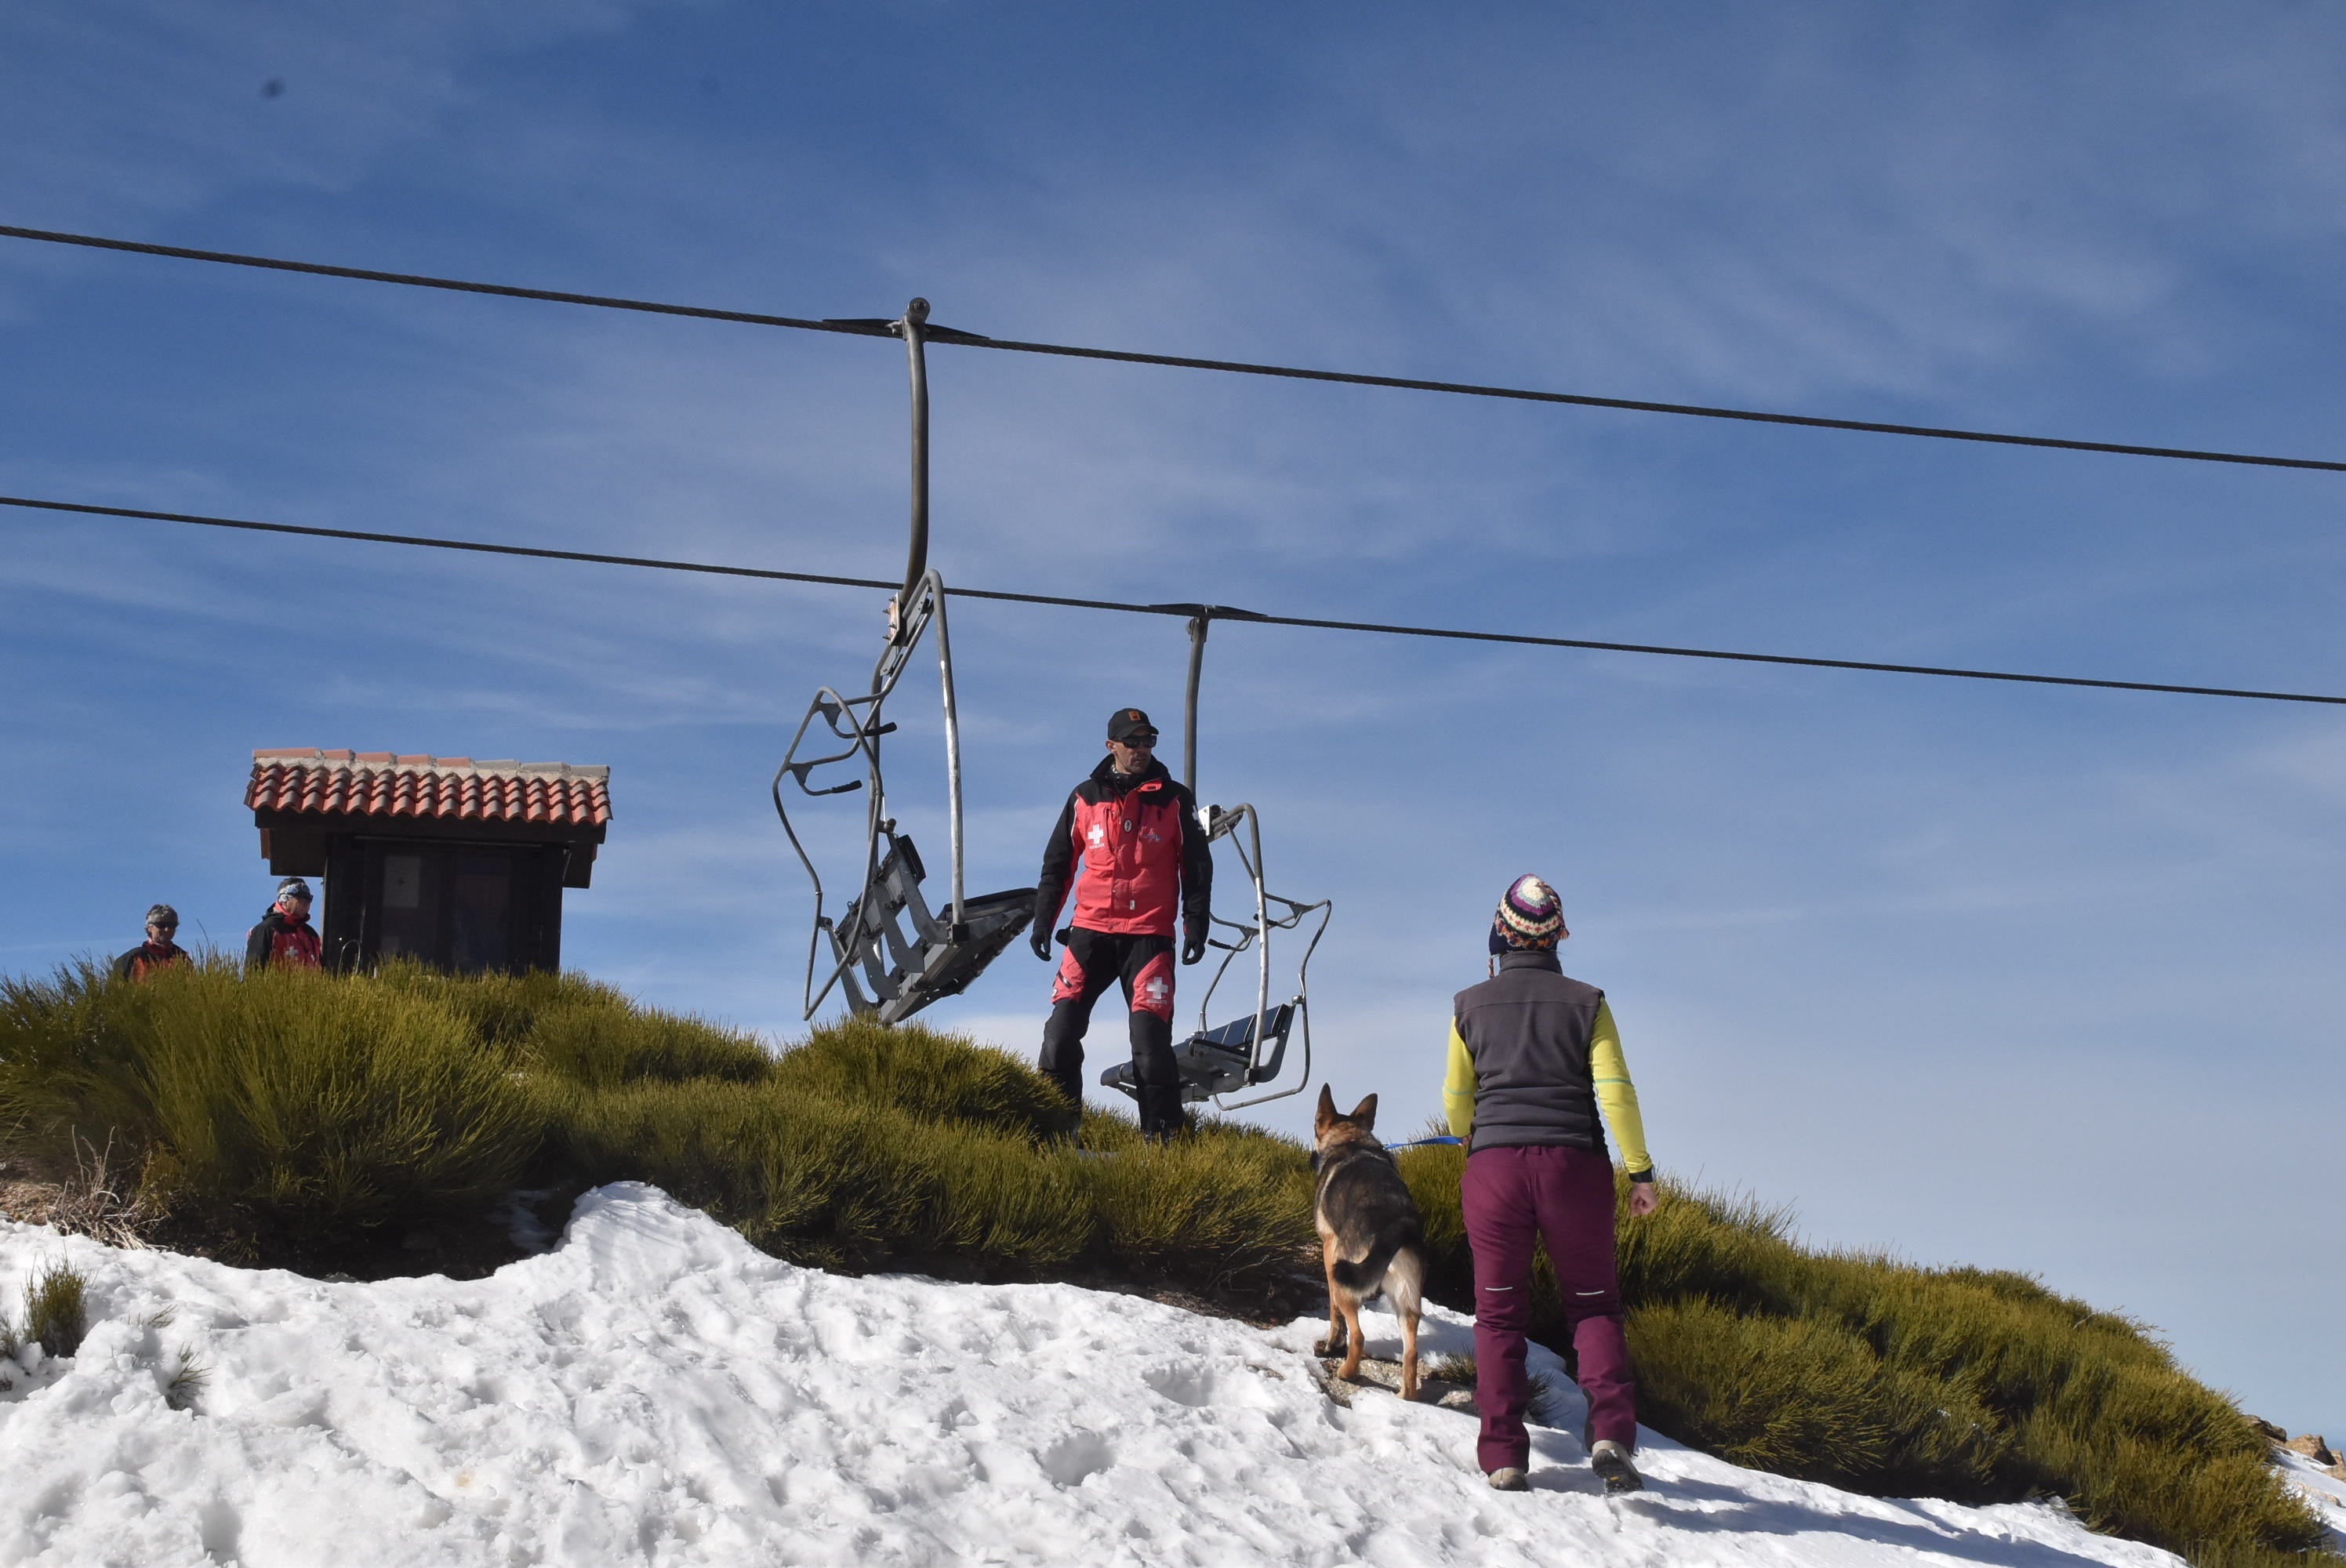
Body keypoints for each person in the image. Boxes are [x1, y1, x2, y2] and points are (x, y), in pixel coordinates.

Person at [1442, 873, 1660, 1496]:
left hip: (1495, 1171)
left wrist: (1467, 1132)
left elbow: (1458, 1100)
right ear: (1557, 936)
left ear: (1500, 935)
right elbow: (1615, 1092)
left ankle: (1505, 1456)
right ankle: (1613, 1432)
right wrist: (1639, 1171)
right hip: (1575, 1171)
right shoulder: (1589, 1001)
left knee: (1499, 1316)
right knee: (1593, 1306)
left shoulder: (1467, 1005)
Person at [1031, 707, 1213, 1140]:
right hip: (1089, 934)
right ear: (1111, 745)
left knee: (1150, 1047)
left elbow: (1197, 866)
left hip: (1149, 938)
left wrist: (1195, 924)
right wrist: (1043, 923)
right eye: (1133, 742)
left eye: (1149, 741)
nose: (1142, 750)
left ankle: (1164, 1143)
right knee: (1060, 1035)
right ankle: (1056, 1135)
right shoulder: (1084, 798)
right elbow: (1058, 866)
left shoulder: (1174, 798)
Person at [245, 877, 323, 971]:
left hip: (312, 985)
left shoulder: (311, 934)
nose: (305, 903)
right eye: (299, 898)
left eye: (308, 899)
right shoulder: (266, 930)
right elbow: (254, 972)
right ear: (284, 901)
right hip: (277, 985)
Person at [112, 903, 191, 981]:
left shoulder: (182, 957)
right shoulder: (135, 956)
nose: (167, 929)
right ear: (149, 928)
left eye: (172, 925)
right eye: (161, 925)